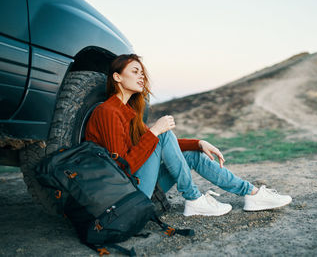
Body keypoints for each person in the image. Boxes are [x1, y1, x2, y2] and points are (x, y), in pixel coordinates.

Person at [84, 53, 292, 217]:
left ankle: (251, 194)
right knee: (162, 134)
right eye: (135, 71)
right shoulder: (108, 112)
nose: (141, 77)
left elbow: (146, 145)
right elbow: (122, 168)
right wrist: (156, 131)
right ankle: (193, 200)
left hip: (137, 185)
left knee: (190, 154)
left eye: (142, 73)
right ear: (117, 77)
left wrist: (198, 143)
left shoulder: (127, 112)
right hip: (124, 196)